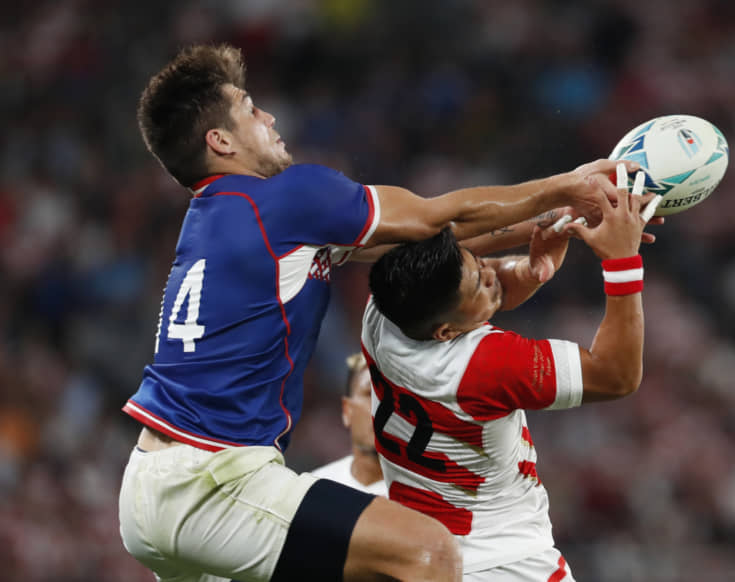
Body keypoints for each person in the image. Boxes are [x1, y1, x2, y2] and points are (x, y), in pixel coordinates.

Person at [117, 43, 639, 582]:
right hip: (211, 481)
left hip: (152, 486)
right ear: (220, 141)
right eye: (250, 109)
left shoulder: (220, 221)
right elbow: (439, 214)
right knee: (428, 554)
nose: (269, 118)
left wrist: (558, 216)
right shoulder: (286, 199)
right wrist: (568, 185)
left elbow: (431, 237)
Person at [362, 170, 655, 581]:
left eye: (478, 264)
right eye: (479, 285)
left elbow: (478, 270)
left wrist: (552, 229)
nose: (490, 275)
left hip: (428, 557)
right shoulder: (485, 365)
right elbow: (616, 375)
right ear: (445, 332)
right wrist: (622, 261)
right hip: (508, 564)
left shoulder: (385, 312)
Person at [311, 353, 386, 496]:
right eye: (369, 394)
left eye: (389, 395)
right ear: (347, 411)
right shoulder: (314, 491)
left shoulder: (433, 498)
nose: (380, 407)